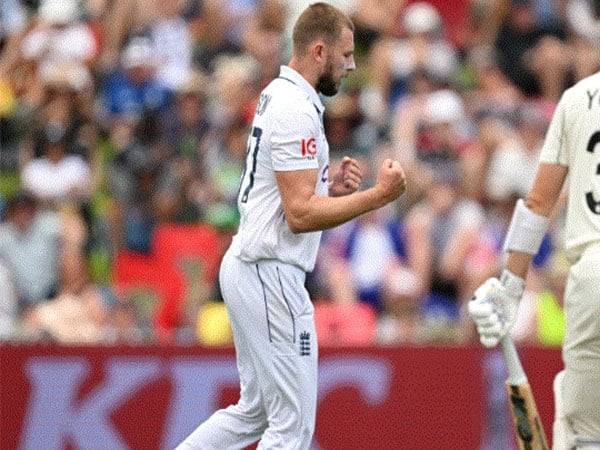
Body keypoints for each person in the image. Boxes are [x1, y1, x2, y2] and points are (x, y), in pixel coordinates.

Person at [175, 3, 407, 449]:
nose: (352, 65)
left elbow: (290, 201)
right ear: (319, 51)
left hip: (255, 266)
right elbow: (300, 215)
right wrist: (377, 196)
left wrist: (330, 190)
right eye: (345, 54)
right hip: (271, 273)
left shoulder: (282, 96)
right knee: (291, 426)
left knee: (255, 411)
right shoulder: (295, 108)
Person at [468, 71, 600, 448]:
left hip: (592, 275)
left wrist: (511, 285)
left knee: (587, 434)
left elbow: (539, 202)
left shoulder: (577, 98)